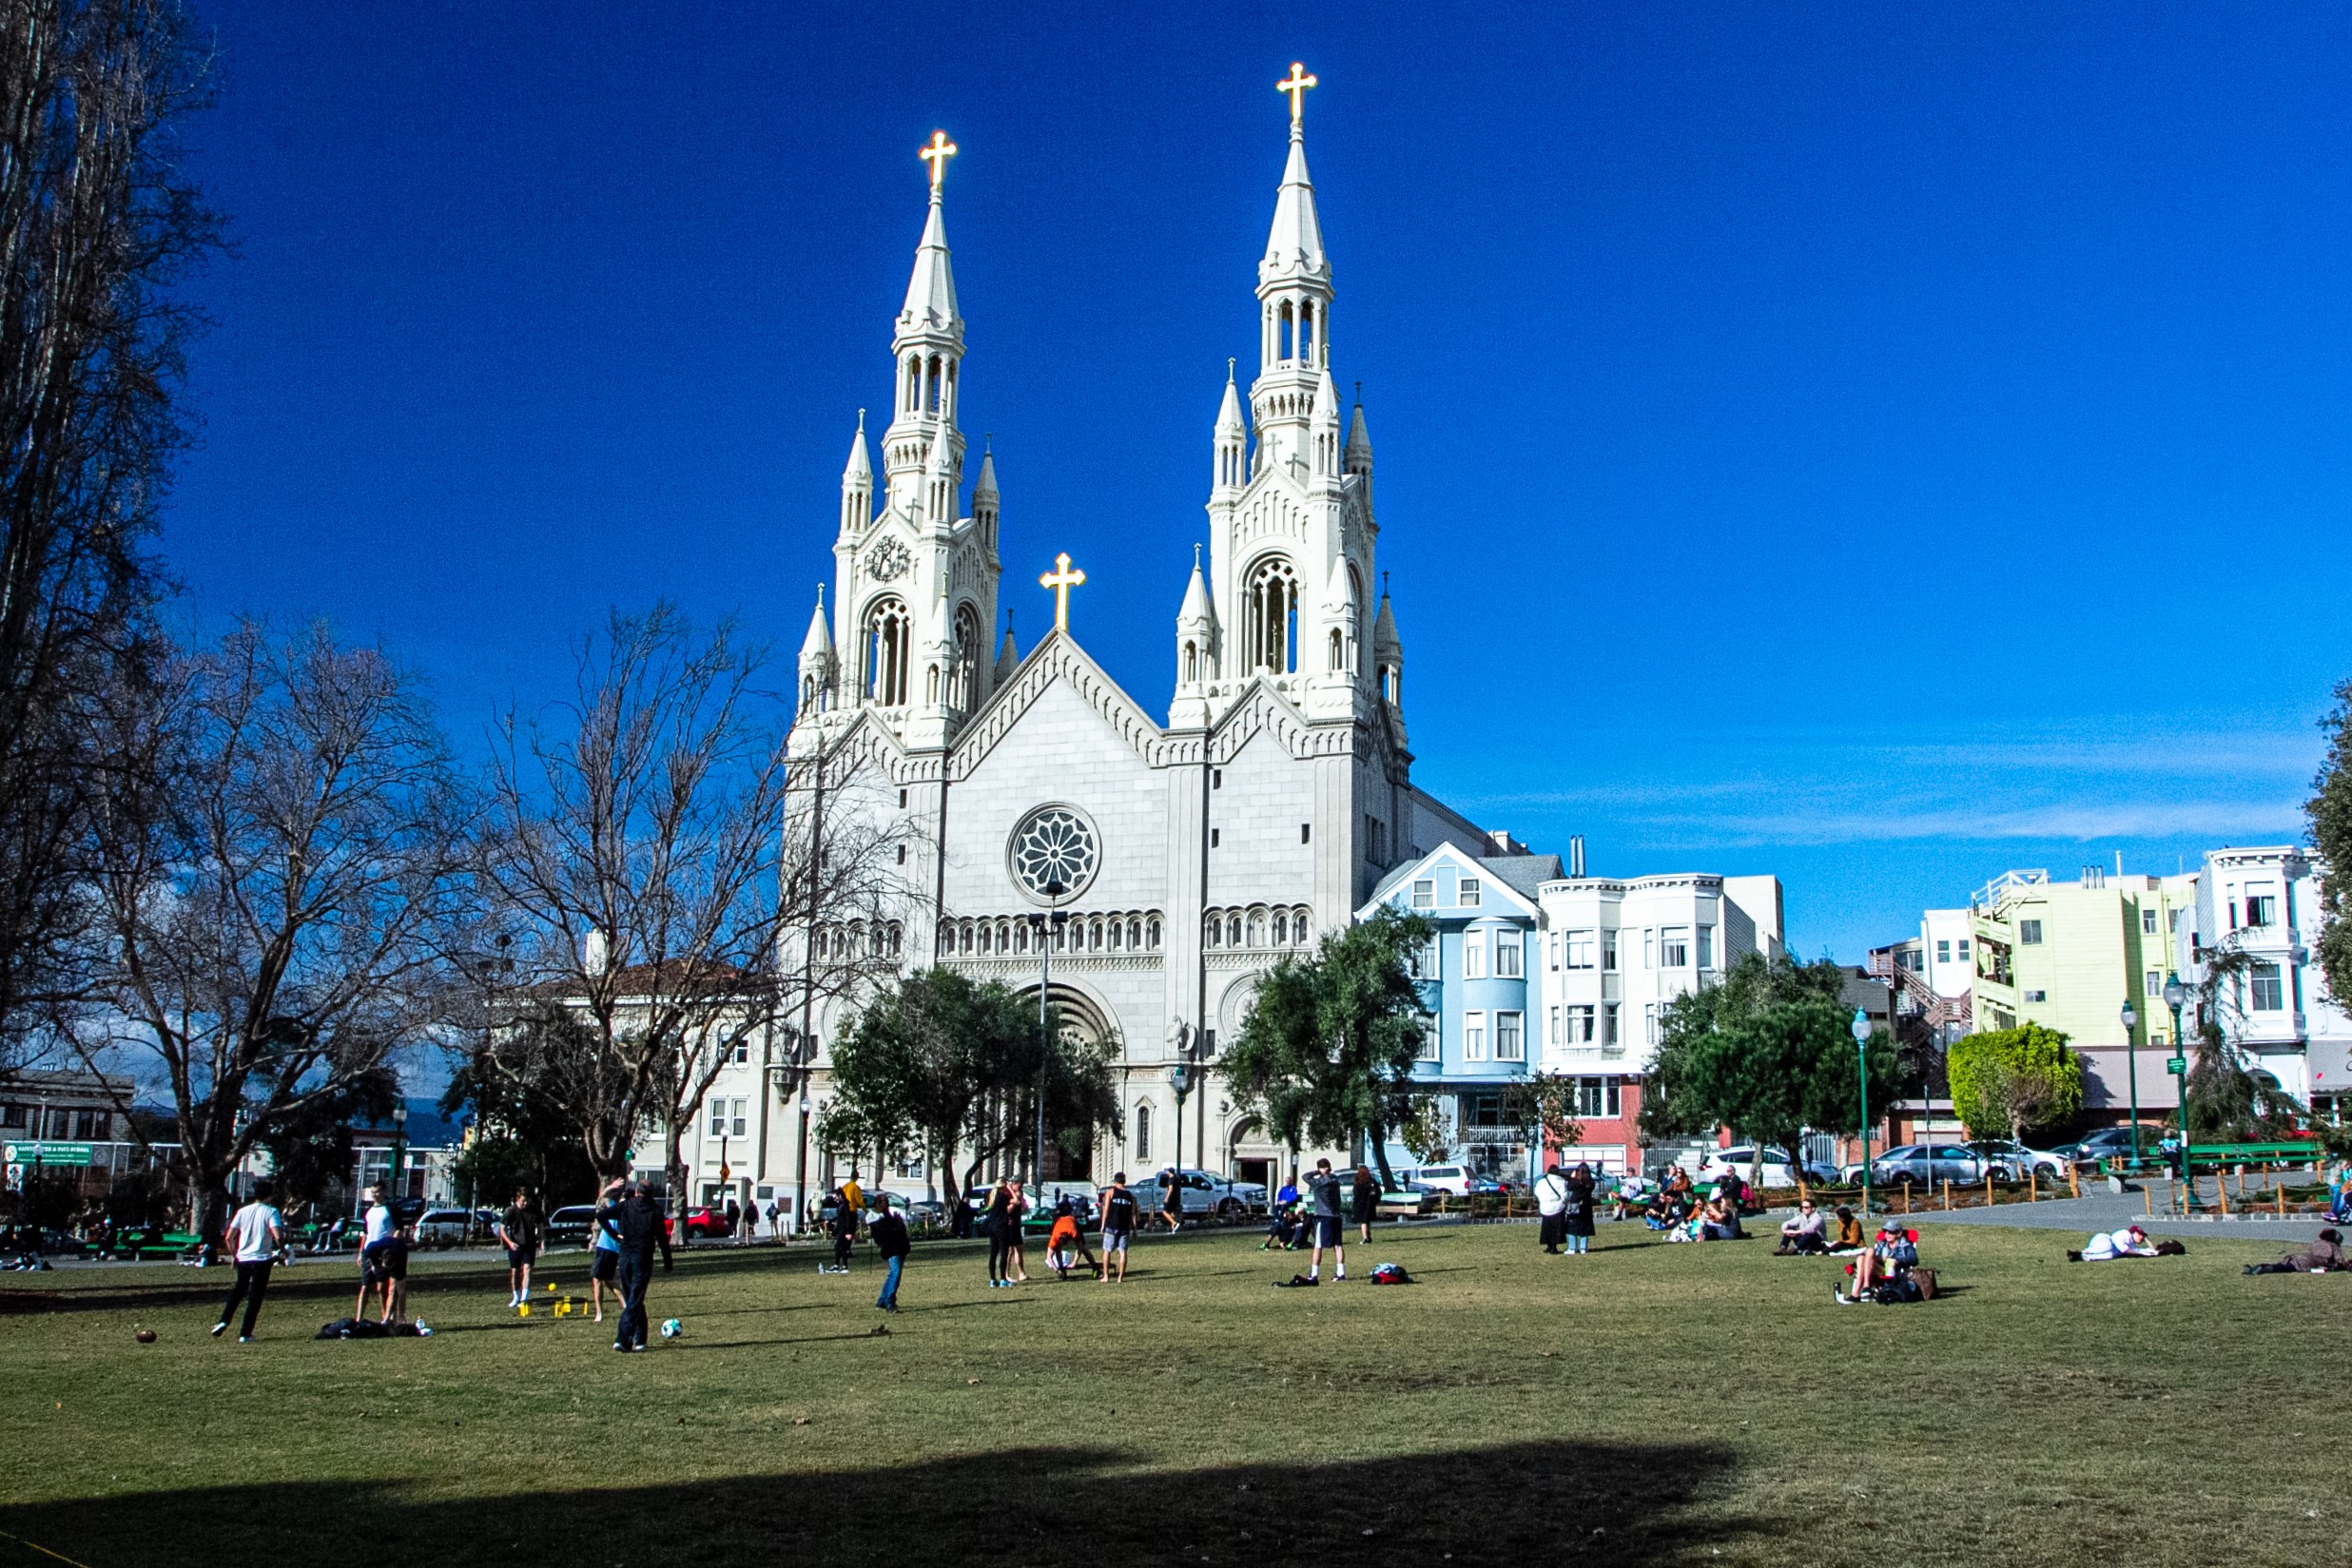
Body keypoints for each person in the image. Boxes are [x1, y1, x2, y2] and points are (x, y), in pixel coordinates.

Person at [602, 1174, 673, 1351]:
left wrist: (615, 1235)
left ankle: (639, 1340)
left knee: (633, 1298)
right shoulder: (655, 1210)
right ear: (651, 1194)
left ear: (636, 1192)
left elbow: (601, 1215)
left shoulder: (626, 1205)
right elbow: (662, 1239)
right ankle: (624, 1339)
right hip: (642, 1258)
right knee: (635, 1299)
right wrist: (668, 1262)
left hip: (625, 1256)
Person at [212, 1181, 284, 1343]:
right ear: (270, 1195)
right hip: (261, 1259)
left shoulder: (242, 1211)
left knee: (239, 1290)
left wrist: (235, 1255)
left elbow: (229, 1237)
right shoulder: (271, 1211)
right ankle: (245, 1333)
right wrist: (283, 1250)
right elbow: (278, 1235)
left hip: (243, 1258)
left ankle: (224, 1320)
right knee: (255, 1297)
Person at [355, 1186, 408, 1325]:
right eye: (372, 1192)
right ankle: (360, 1320)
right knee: (368, 1286)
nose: (375, 1195)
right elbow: (366, 1234)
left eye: (377, 1192)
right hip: (370, 1251)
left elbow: (399, 1229)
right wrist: (361, 1253)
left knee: (386, 1287)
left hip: (386, 1252)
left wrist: (392, 1246)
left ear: (384, 1192)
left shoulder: (390, 1209)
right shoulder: (368, 1211)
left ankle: (388, 1319)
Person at [1838, 1220, 1918, 1304]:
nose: (1887, 1234)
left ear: (1899, 1233)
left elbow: (1914, 1259)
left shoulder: (1905, 1246)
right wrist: (1855, 1265)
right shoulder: (1883, 1244)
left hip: (1894, 1272)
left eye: (1890, 1232)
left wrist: (1896, 1260)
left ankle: (1863, 1289)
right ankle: (1858, 1293)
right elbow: (1870, 1259)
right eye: (1885, 1231)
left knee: (1869, 1251)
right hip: (1879, 1270)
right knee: (1861, 1258)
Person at [586, 1177, 624, 1323]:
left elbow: (603, 1196)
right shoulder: (617, 1208)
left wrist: (611, 1187)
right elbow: (603, 1196)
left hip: (606, 1248)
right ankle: (626, 1305)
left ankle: (599, 1313)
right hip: (611, 1249)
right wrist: (612, 1186)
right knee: (609, 1280)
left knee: (597, 1280)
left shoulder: (622, 1212)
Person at [496, 1189, 540, 1308]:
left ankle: (524, 1299)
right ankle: (516, 1297)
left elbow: (540, 1226)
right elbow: (502, 1229)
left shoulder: (534, 1210)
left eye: (527, 1201)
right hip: (515, 1245)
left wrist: (542, 1242)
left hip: (529, 1245)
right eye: (523, 1201)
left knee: (527, 1269)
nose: (526, 1203)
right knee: (515, 1272)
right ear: (517, 1199)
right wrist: (510, 1243)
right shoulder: (510, 1211)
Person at [1304, 1157, 1347, 1282]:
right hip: (1336, 1216)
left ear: (1320, 1168)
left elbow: (1305, 1177)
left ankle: (1314, 1274)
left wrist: (1317, 1172)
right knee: (1338, 1245)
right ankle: (1340, 1273)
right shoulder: (1335, 1180)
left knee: (1318, 1245)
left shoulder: (1319, 1183)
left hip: (1323, 1216)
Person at [869, 1193, 910, 1312]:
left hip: (898, 1248)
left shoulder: (888, 1217)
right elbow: (886, 1235)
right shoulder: (877, 1219)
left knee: (892, 1274)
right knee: (895, 1273)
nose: (885, 1204)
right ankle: (889, 1302)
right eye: (883, 1202)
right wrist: (897, 1224)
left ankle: (882, 1301)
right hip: (892, 1250)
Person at [2243, 1228, 2346, 1275]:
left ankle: (2255, 1267)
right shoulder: (2334, 1246)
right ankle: (2264, 1269)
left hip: (2296, 1256)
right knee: (2286, 1268)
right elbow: (2340, 1261)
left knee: (2282, 1264)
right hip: (2306, 1262)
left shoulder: (2316, 1243)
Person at [1098, 1171, 1137, 1284]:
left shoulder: (1110, 1192)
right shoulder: (1131, 1196)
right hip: (1124, 1227)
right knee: (1123, 1252)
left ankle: (1106, 1276)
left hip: (1111, 1225)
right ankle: (1120, 1277)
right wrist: (1134, 1229)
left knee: (1107, 1251)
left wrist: (1102, 1224)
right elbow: (1133, 1214)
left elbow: (1106, 1209)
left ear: (1115, 1181)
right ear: (1124, 1181)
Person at [983, 1178, 1017, 1287]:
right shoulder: (1002, 1196)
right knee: (1004, 1253)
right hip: (1001, 1227)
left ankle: (993, 1279)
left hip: (992, 1226)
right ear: (1003, 1185)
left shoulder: (993, 1195)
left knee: (993, 1253)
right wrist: (1011, 1190)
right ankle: (1003, 1279)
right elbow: (1016, 1201)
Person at [1561, 1163, 1597, 1255]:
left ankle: (1572, 1248)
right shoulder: (1591, 1182)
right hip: (1586, 1206)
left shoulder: (1575, 1182)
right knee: (1584, 1227)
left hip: (1575, 1206)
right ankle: (1583, 1248)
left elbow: (1569, 1187)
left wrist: (1572, 1177)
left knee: (1572, 1227)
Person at [1535, 1164, 1571, 1254]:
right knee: (1556, 1228)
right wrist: (1564, 1202)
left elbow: (1537, 1193)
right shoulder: (1561, 1182)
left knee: (1546, 1228)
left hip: (1545, 1208)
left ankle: (1548, 1245)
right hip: (1557, 1208)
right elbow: (1564, 1195)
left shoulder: (1541, 1182)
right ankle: (1554, 1247)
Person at [2075, 1224, 2158, 1262]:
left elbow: (2153, 1250)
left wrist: (2145, 1239)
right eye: (2139, 1234)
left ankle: (2086, 1257)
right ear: (2133, 1233)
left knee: (2110, 1255)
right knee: (2108, 1246)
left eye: (2142, 1235)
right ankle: (2085, 1251)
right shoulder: (2125, 1234)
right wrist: (2139, 1254)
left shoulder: (2132, 1245)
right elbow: (2125, 1250)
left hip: (2110, 1249)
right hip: (2103, 1239)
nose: (2141, 1237)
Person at [1002, 1178, 1031, 1283]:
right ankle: (1006, 1274)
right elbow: (1007, 1210)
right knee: (1009, 1251)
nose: (1021, 1187)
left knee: (1019, 1248)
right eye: (1020, 1185)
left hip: (1016, 1225)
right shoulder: (1007, 1195)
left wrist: (1022, 1205)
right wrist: (1016, 1200)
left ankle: (1021, 1273)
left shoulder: (1019, 1193)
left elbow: (1023, 1208)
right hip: (1009, 1225)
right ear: (1013, 1184)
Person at [829, 1187, 860, 1272]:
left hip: (843, 1229)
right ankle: (843, 1266)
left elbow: (848, 1218)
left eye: (835, 1197)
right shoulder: (841, 1204)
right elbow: (840, 1217)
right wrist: (830, 1221)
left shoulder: (845, 1205)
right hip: (840, 1229)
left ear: (840, 1195)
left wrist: (848, 1232)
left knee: (838, 1246)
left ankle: (838, 1265)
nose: (835, 1200)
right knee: (842, 1247)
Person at [1351, 1165, 1379, 1244]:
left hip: (1360, 1204)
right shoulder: (1371, 1181)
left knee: (1363, 1222)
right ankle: (1368, 1236)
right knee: (1367, 1221)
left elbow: (1355, 1193)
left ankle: (1365, 1238)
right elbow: (1378, 1191)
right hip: (1370, 1204)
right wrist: (1375, 1200)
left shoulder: (1358, 1182)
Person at [1157, 1168, 1186, 1234]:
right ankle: (1174, 1230)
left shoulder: (1171, 1179)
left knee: (1165, 1212)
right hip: (1176, 1199)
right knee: (1172, 1213)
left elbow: (1170, 1189)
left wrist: (1167, 1197)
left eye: (1167, 1171)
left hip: (1171, 1198)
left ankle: (1175, 1223)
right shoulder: (1177, 1179)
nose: (1167, 1172)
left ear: (1170, 1172)